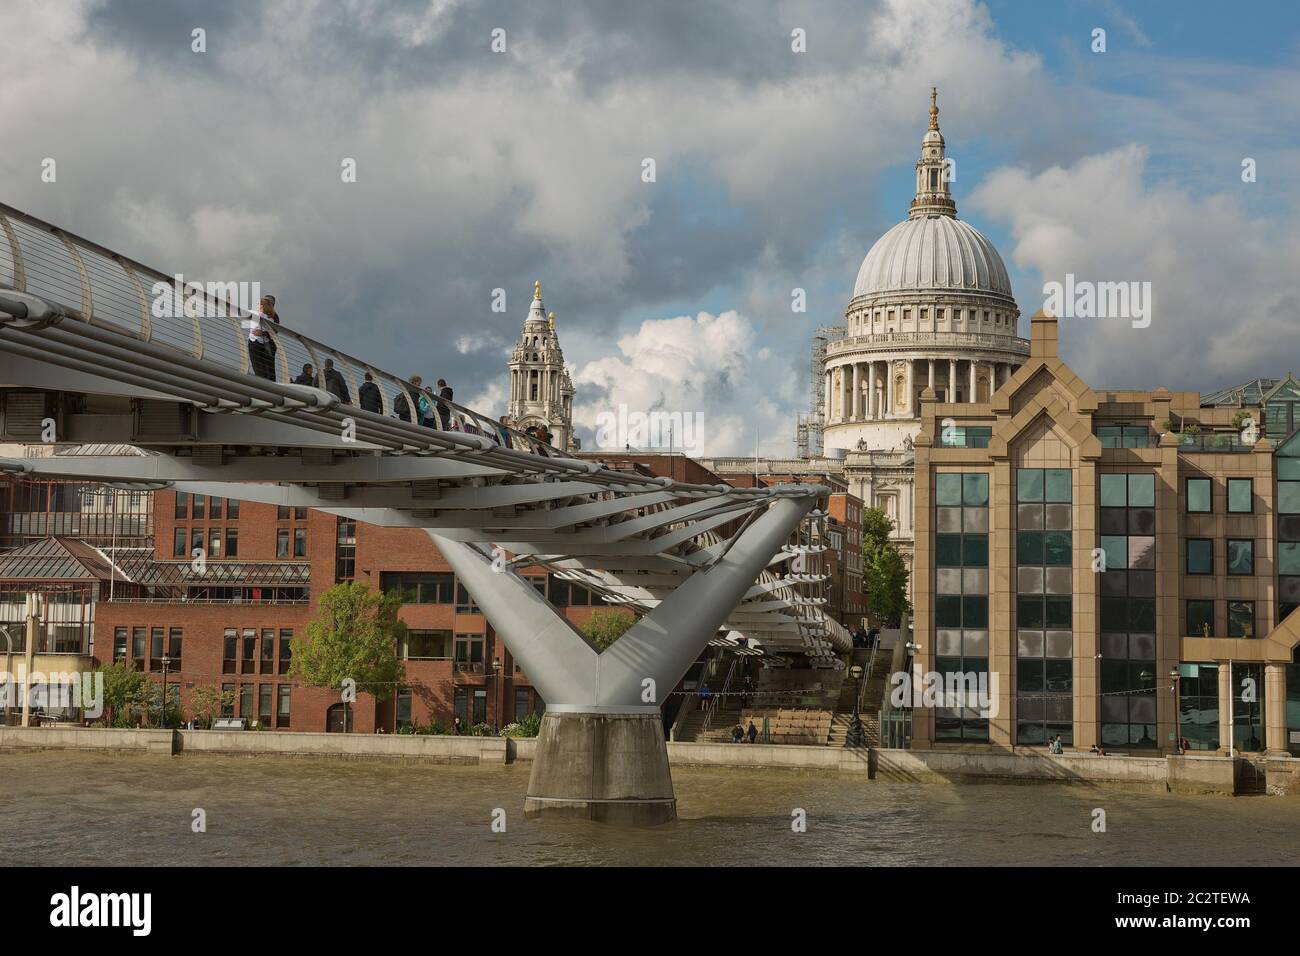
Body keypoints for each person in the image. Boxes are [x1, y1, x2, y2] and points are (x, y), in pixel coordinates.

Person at [244, 294, 280, 380]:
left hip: (265, 345)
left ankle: (268, 388)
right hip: (260, 343)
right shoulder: (260, 314)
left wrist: (262, 333)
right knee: (265, 370)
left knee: (266, 370)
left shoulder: (273, 317)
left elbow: (275, 331)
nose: (259, 305)